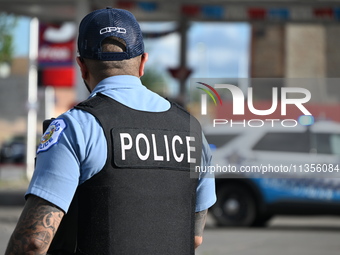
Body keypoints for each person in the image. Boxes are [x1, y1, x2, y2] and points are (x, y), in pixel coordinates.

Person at [5, 7, 216, 255]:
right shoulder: (191, 129)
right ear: (143, 63)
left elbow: (34, 242)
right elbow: (195, 237)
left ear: (82, 67)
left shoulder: (75, 127)